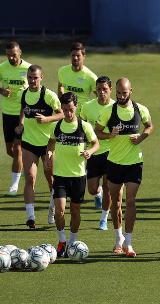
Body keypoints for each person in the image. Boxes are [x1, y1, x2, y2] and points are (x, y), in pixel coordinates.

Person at [95, 78, 152, 257]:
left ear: (130, 91)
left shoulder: (140, 109)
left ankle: (128, 242)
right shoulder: (108, 111)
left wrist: (141, 138)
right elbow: (96, 132)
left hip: (134, 163)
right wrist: (109, 134)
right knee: (116, 202)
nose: (120, 96)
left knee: (131, 201)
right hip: (114, 162)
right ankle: (118, 239)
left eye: (124, 93)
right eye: (118, 93)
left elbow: (149, 127)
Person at [44, 92, 99, 256]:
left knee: (75, 211)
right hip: (60, 176)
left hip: (78, 176)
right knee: (60, 211)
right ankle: (62, 241)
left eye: (71, 110)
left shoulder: (84, 126)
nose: (68, 113)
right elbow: (51, 142)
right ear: (62, 108)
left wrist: (89, 151)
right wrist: (48, 154)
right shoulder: (57, 126)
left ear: (76, 108)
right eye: (65, 109)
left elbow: (96, 143)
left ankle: (73, 241)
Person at [15, 64, 63, 228]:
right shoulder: (24, 94)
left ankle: (53, 209)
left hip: (48, 143)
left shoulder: (49, 95)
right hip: (29, 142)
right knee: (30, 178)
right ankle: (31, 217)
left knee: (51, 180)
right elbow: (23, 109)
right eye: (29, 77)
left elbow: (62, 113)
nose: (32, 80)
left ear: (41, 78)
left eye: (35, 77)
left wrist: (47, 119)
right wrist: (20, 124)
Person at [80, 76, 115, 229]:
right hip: (93, 153)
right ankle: (97, 194)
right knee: (92, 188)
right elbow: (80, 128)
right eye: (99, 89)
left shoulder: (116, 108)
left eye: (105, 90)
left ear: (111, 90)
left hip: (111, 152)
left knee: (109, 187)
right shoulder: (87, 107)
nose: (101, 93)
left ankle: (104, 219)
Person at [0, 41, 30, 196]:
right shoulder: (2, 67)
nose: (11, 57)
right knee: (10, 150)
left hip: (22, 114)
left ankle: (14, 185)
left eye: (14, 54)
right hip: (7, 113)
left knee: (17, 149)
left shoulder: (28, 69)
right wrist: (1, 90)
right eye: (9, 55)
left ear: (20, 52)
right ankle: (25, 165)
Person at [57, 42, 98, 113]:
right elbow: (60, 87)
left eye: (78, 55)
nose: (75, 58)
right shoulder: (62, 71)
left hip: (82, 116)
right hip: (67, 114)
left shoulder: (91, 77)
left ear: (84, 56)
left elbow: (99, 96)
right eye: (73, 55)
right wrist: (62, 103)